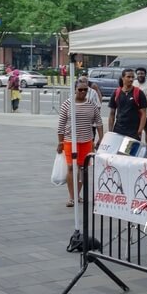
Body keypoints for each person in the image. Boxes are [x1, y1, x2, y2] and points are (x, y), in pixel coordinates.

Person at [57, 79, 104, 207]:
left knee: (82, 169)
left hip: (86, 141)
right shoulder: (67, 104)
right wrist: (60, 142)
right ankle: (72, 197)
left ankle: (78, 195)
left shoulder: (91, 104)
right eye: (80, 89)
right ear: (75, 90)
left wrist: (101, 138)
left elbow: (99, 122)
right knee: (71, 167)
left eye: (85, 90)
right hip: (70, 141)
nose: (83, 92)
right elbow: (61, 125)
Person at [108, 68, 147, 141]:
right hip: (118, 130)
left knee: (130, 152)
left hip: (133, 132)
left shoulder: (139, 93)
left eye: (132, 77)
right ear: (123, 78)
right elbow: (112, 114)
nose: (131, 79)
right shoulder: (116, 92)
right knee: (117, 152)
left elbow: (144, 114)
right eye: (128, 77)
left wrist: (140, 130)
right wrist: (110, 131)